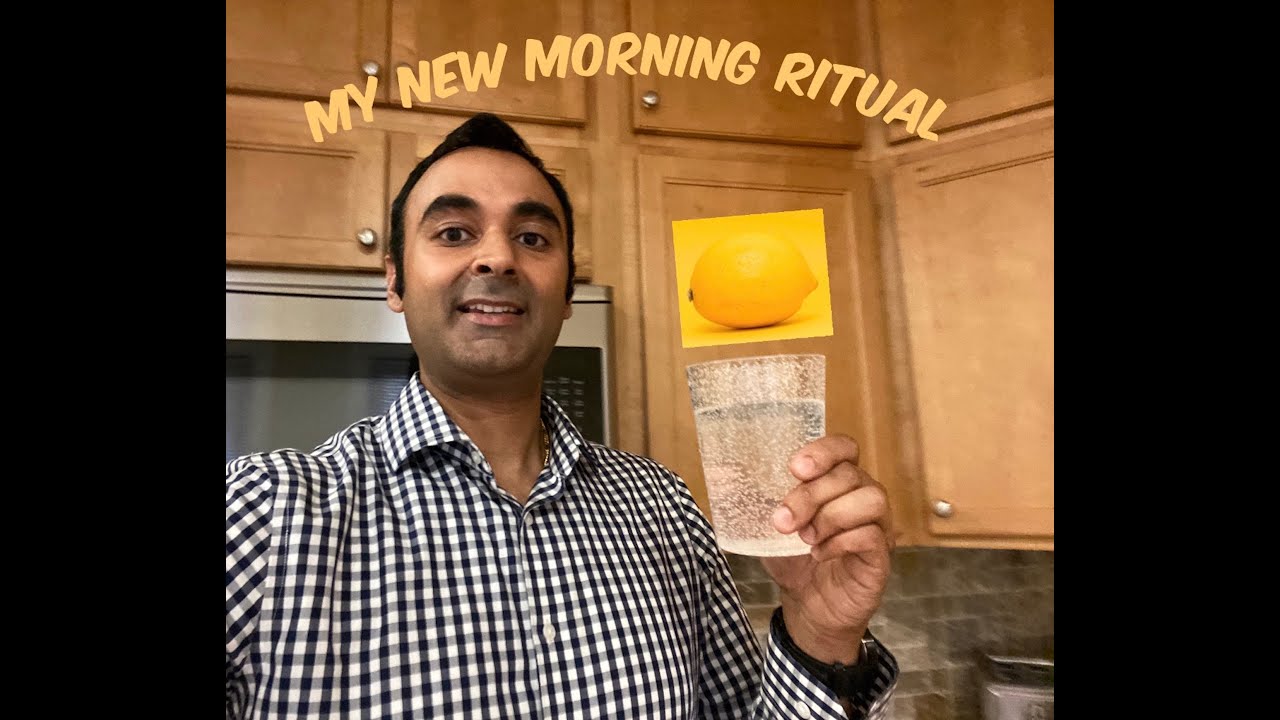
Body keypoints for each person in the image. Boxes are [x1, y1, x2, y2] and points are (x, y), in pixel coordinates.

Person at [226, 112, 900, 719]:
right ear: (395, 280)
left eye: (532, 237)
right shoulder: (261, 512)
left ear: (568, 291)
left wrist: (819, 634)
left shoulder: (662, 506)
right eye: (454, 232)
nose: (498, 257)